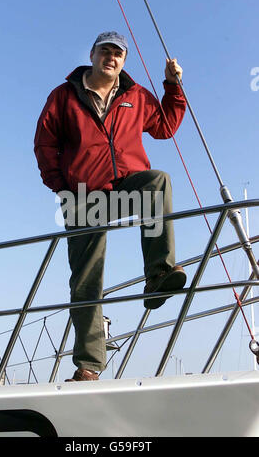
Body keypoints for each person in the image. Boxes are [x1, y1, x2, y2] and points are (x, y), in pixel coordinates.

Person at [34, 31, 187, 382]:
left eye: (119, 53)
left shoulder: (135, 95)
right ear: (92, 54)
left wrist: (172, 87)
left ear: (124, 60)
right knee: (86, 280)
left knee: (157, 180)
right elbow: (45, 144)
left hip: (125, 188)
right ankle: (88, 366)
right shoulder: (63, 96)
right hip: (83, 196)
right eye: (106, 51)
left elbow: (165, 127)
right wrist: (62, 189)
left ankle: (158, 275)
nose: (112, 58)